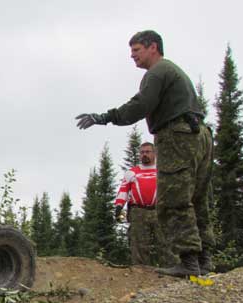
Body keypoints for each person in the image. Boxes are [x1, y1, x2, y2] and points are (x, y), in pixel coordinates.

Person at [75, 30, 214, 277]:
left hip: (177, 136)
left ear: (153, 47)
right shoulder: (173, 70)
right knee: (197, 198)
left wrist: (104, 117)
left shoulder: (158, 72)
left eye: (136, 50)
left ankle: (189, 263)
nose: (132, 57)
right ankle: (204, 261)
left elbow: (141, 105)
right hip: (199, 133)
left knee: (173, 199)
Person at [115, 142, 174, 266]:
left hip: (160, 210)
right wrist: (119, 206)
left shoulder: (162, 169)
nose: (144, 155)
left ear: (154, 153)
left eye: (147, 152)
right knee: (138, 243)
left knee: (165, 242)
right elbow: (123, 189)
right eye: (142, 152)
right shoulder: (132, 172)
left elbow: (172, 188)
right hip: (138, 211)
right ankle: (140, 272)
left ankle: (170, 270)